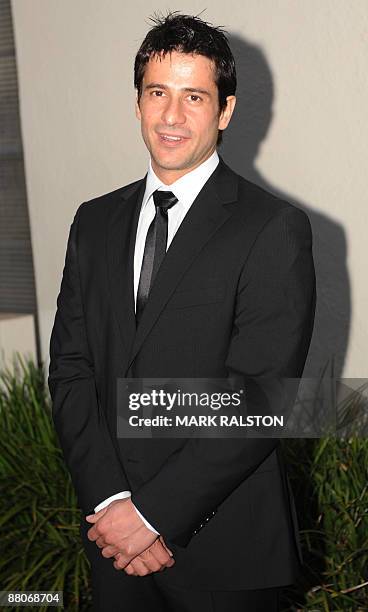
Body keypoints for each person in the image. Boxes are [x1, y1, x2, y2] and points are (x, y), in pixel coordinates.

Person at [48, 11, 316, 612]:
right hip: (114, 543)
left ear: (225, 111)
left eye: (194, 96)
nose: (171, 116)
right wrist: (112, 505)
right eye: (157, 93)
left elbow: (259, 397)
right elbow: (70, 371)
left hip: (225, 547)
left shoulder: (272, 227)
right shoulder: (93, 222)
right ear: (138, 102)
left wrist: (153, 515)